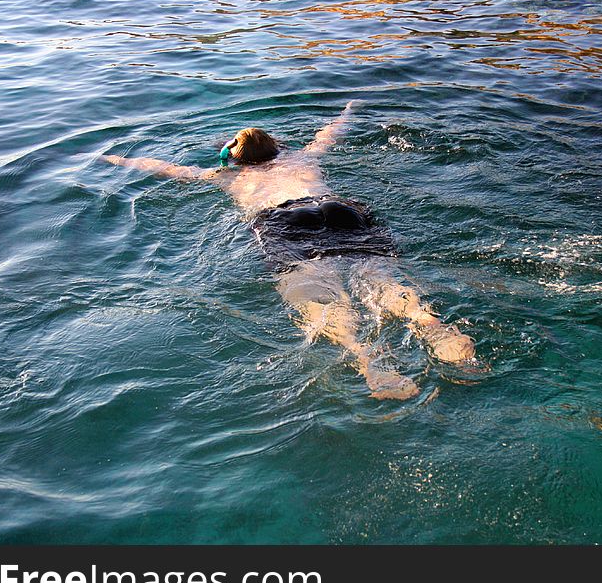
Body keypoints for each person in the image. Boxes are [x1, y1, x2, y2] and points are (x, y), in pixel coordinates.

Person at [101, 101, 475, 399]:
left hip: (285, 222)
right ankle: (430, 324)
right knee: (377, 273)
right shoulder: (302, 158)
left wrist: (114, 159)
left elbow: (165, 168)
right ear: (276, 147)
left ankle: (366, 358)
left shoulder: (228, 175)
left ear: (234, 156)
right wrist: (348, 109)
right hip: (338, 209)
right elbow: (328, 134)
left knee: (319, 293)